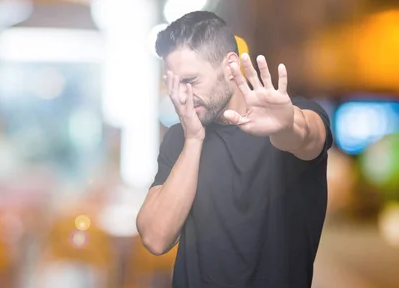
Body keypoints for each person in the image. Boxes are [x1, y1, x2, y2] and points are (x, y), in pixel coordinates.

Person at [136, 11, 332, 288]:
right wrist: (193, 139)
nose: (181, 96)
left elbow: (306, 135)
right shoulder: (180, 136)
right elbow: (156, 238)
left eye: (190, 81)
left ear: (230, 67)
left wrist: (285, 126)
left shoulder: (293, 118)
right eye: (175, 84)